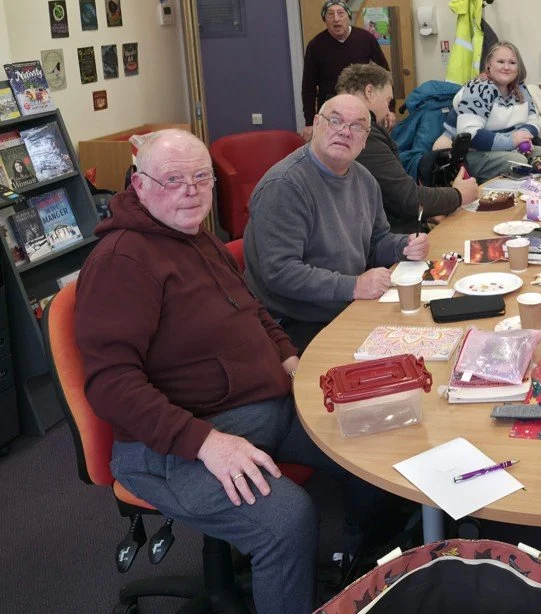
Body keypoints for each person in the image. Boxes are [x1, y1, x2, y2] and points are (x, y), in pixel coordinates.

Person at [76, 129, 388, 614]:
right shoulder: (122, 262)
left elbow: (253, 310)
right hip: (173, 443)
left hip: (260, 406)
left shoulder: (195, 238)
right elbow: (110, 385)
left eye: (202, 177)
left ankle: (366, 568)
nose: (191, 190)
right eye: (174, 179)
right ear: (139, 185)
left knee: (371, 443)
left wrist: (290, 360)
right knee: (285, 519)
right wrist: (206, 443)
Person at [245, 94, 429, 349]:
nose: (345, 132)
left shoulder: (364, 179)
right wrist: (354, 286)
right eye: (335, 121)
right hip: (295, 323)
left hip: (346, 305)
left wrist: (404, 246)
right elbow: (280, 272)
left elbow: (375, 244)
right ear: (316, 124)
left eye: (357, 126)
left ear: (365, 140)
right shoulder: (285, 185)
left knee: (424, 334)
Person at [336, 62, 477, 232]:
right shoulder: (363, 134)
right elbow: (406, 197)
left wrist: (426, 213)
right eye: (388, 101)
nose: (388, 111)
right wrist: (458, 195)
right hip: (383, 239)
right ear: (369, 92)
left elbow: (389, 193)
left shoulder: (342, 129)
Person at [443, 41, 541, 182]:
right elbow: (470, 135)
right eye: (500, 61)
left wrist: (522, 138)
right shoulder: (478, 88)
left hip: (506, 149)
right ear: (489, 65)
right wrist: (511, 141)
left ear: (519, 68)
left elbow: (533, 120)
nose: (506, 67)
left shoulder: (520, 89)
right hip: (467, 153)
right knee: (517, 162)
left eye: (512, 63)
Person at [300, 0, 389, 139]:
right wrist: (310, 121)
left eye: (340, 13)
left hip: (363, 107)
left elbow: (384, 76)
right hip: (331, 110)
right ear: (325, 20)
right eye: (330, 14)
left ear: (348, 17)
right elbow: (308, 87)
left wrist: (388, 110)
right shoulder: (315, 45)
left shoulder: (366, 38)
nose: (336, 19)